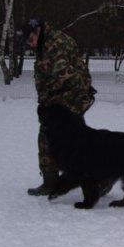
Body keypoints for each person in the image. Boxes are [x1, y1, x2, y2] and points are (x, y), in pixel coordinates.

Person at [24, 18, 96, 196]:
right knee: (79, 141)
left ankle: (53, 182)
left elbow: (64, 76)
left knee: (50, 138)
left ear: (37, 31)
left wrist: (48, 98)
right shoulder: (48, 41)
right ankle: (97, 177)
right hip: (67, 99)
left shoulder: (54, 44)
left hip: (66, 101)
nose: (30, 45)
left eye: (30, 40)